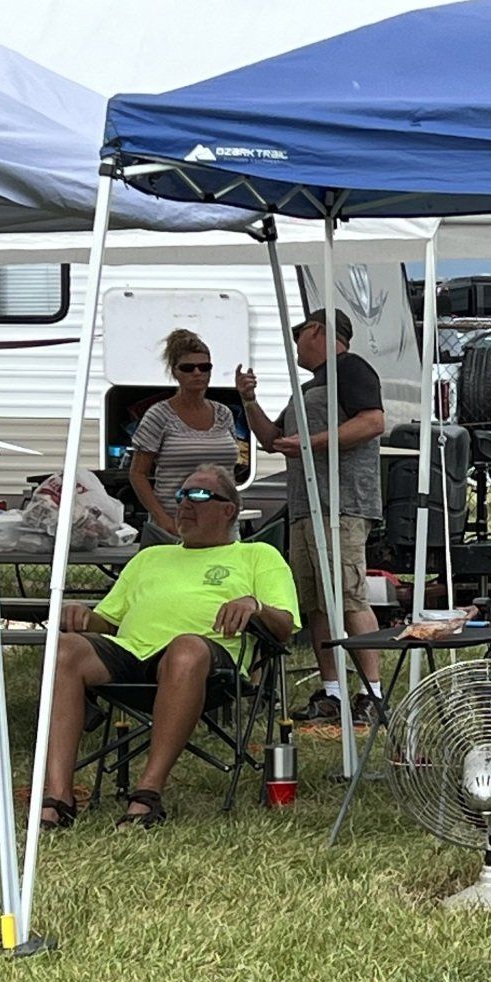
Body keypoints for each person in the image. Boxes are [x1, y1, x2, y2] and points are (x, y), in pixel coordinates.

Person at [38, 464, 297, 829]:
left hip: (206, 666)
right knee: (64, 649)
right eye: (181, 495)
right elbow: (107, 622)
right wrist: (83, 616)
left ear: (229, 510)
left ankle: (148, 792)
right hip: (131, 655)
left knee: (185, 648)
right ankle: (58, 796)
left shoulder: (258, 557)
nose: (186, 503)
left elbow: (284, 627)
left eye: (200, 495)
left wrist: (255, 605)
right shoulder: (150, 557)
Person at [235, 310, 385, 726]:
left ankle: (372, 692)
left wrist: (311, 443)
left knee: (348, 594)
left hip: (342, 504)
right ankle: (332, 691)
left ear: (317, 330)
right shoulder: (308, 388)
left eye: (299, 334)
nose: (296, 343)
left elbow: (373, 422)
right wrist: (249, 401)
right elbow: (273, 440)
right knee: (315, 602)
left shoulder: (350, 369)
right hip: (305, 505)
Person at [128, 328, 240, 544]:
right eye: (188, 368)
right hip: (175, 524)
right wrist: (162, 519)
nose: (197, 373)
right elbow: (138, 474)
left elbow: (230, 473)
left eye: (204, 367)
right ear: (175, 372)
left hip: (221, 526)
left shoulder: (224, 413)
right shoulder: (159, 415)